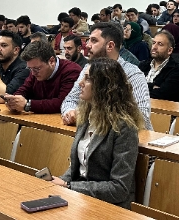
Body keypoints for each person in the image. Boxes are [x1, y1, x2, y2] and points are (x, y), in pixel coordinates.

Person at [52, 58, 144, 208]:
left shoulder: (124, 127)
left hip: (109, 205)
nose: (80, 83)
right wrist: (59, 182)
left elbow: (119, 188)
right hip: (81, 196)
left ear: (104, 85)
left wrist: (69, 186)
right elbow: (78, 168)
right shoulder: (85, 117)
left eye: (88, 79)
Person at [61, 23, 152, 130]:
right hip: (97, 132)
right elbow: (70, 100)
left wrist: (90, 117)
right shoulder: (88, 69)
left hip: (128, 137)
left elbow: (142, 117)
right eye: (89, 40)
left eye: (94, 41)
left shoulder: (132, 74)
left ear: (110, 46)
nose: (87, 45)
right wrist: (70, 112)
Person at [4, 40, 81, 114]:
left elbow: (63, 102)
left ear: (51, 61)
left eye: (37, 69)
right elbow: (24, 89)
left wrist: (28, 105)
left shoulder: (72, 71)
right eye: (30, 69)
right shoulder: (35, 70)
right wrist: (14, 101)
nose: (33, 73)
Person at [138, 31, 179, 102]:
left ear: (169, 50)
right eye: (154, 43)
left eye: (160, 44)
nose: (154, 47)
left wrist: (141, 88)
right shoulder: (143, 65)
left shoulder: (176, 70)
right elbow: (131, 87)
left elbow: (162, 95)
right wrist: (153, 86)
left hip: (160, 108)